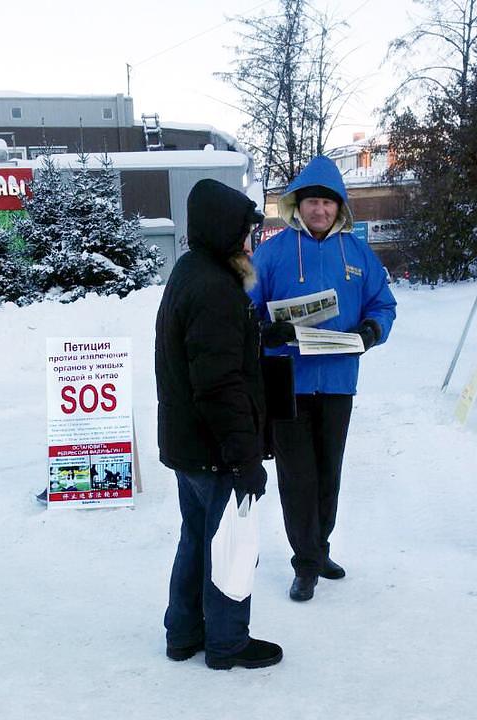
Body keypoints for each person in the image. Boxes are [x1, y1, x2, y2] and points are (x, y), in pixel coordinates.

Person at [250, 155, 397, 602]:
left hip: (337, 380)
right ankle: (305, 563)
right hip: (286, 379)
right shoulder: (271, 252)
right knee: (297, 477)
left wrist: (372, 330)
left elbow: (383, 304)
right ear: (299, 204)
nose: (320, 211)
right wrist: (264, 330)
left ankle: (320, 547)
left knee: (328, 473)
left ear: (340, 209)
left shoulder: (357, 253)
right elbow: (245, 311)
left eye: (328, 204)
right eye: (312, 202)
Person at [155, 178, 283, 670]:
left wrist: (261, 332)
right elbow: (219, 385)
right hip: (215, 450)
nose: (250, 242)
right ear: (225, 231)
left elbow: (207, 353)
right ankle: (228, 642)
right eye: (246, 233)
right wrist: (245, 459)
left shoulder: (192, 271)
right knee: (230, 545)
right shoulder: (216, 290)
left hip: (190, 448)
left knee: (195, 539)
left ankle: (183, 633)